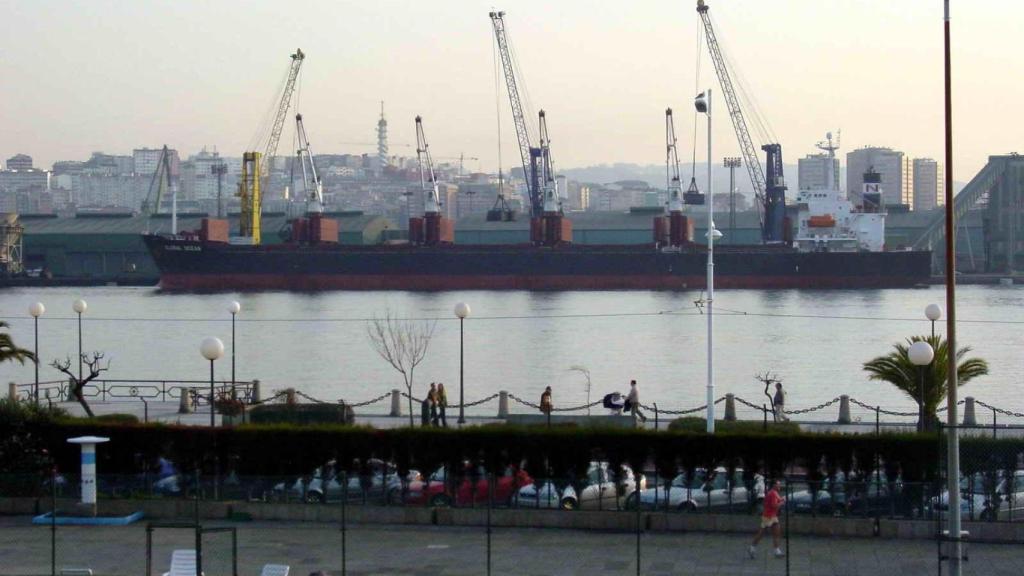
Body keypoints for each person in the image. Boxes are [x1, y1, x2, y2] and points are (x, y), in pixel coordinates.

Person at [749, 479, 786, 559]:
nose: (779, 486)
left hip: (773, 516)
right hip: (768, 516)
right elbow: (774, 505)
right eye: (778, 484)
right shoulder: (772, 493)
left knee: (777, 532)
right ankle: (752, 548)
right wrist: (782, 503)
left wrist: (782, 499)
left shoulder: (775, 493)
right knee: (761, 533)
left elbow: (778, 500)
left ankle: (777, 551)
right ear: (774, 485)